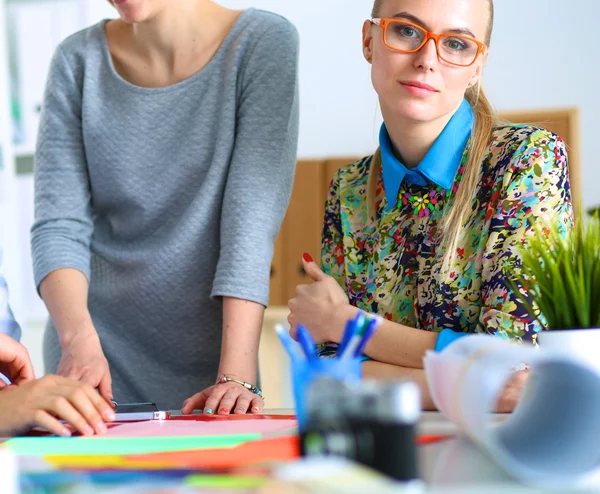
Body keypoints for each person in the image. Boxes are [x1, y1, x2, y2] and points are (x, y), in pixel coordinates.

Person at [287, 0, 572, 411]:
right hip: (383, 447)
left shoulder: (528, 159)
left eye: (456, 43)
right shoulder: (348, 189)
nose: (426, 60)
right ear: (369, 40)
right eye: (406, 31)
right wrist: (469, 385)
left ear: (477, 65)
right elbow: (327, 369)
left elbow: (513, 359)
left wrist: (348, 325)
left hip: (493, 449)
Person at [32, 0, 299, 412]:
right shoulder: (76, 59)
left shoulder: (261, 42)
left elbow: (250, 222)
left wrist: (236, 374)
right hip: (89, 360)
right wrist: (78, 342)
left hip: (218, 365)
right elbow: (58, 224)